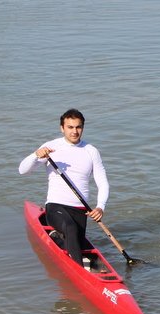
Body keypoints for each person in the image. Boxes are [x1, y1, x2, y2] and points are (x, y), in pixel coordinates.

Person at [19, 108, 109, 265]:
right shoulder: (51, 147)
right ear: (62, 128)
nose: (74, 131)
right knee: (70, 227)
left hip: (80, 210)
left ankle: (55, 236)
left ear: (83, 127)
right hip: (56, 206)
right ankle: (80, 269)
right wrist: (35, 155)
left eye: (78, 127)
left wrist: (100, 207)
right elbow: (23, 170)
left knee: (75, 240)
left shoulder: (91, 151)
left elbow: (102, 182)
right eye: (70, 127)